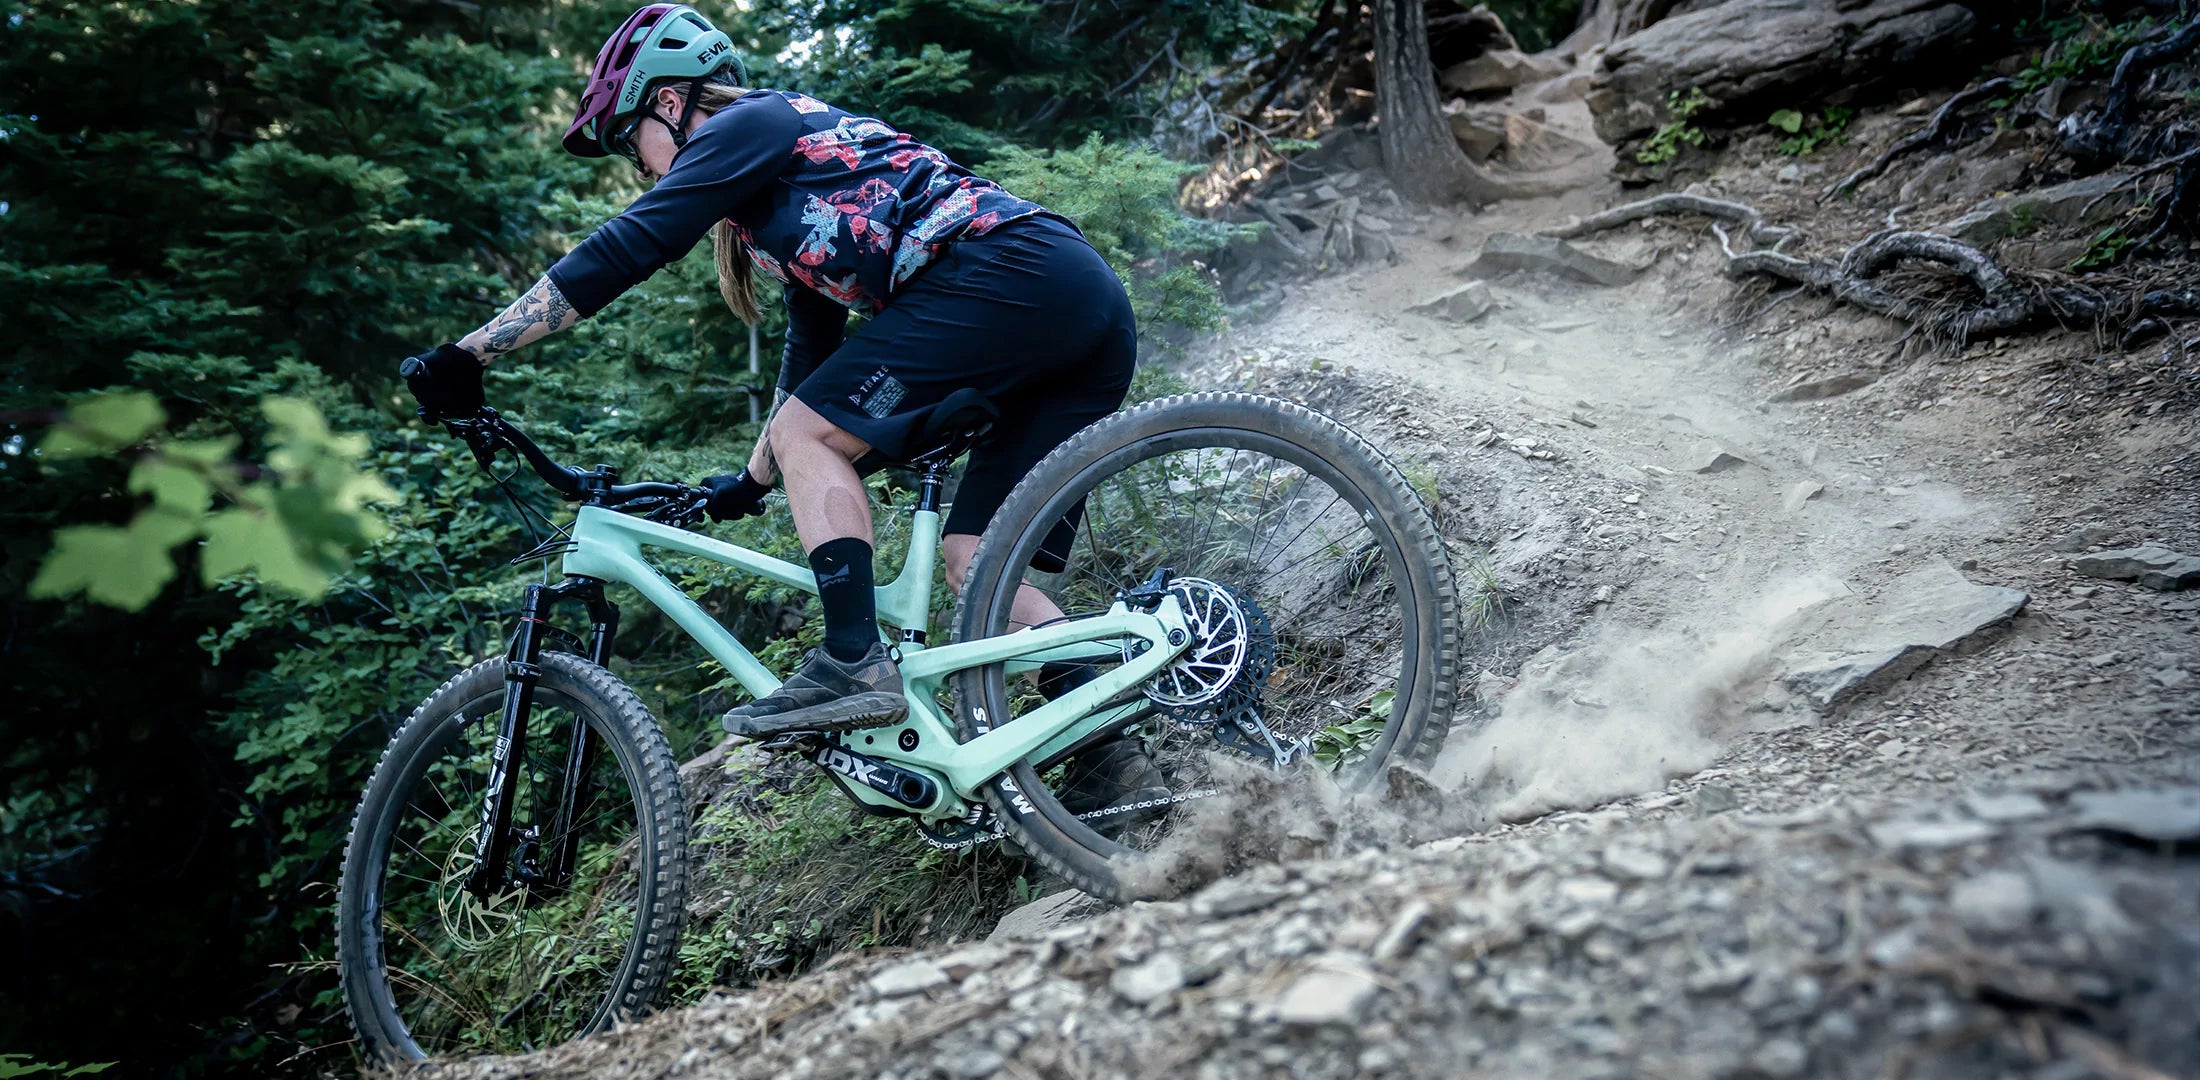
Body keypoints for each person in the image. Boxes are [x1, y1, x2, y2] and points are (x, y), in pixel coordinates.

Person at [400, 3, 1163, 810]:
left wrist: (471, 353)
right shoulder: (779, 200)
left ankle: (853, 660)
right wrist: (752, 479)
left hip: (1013, 272)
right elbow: (813, 353)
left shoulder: (753, 121)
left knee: (815, 437)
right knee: (977, 560)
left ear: (670, 102)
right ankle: (1112, 748)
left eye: (631, 140)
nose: (642, 168)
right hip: (1073, 304)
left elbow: (630, 245)